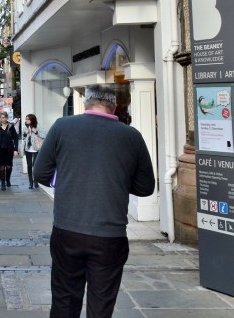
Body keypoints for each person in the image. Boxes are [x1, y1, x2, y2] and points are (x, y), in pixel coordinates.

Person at [33, 85, 155, 318]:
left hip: (67, 229)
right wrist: (116, 182)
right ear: (115, 106)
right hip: (110, 235)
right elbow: (146, 187)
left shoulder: (62, 127)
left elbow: (40, 174)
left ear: (86, 103)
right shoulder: (131, 136)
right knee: (101, 305)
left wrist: (67, 178)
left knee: (64, 301)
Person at [0, 111, 18, 190]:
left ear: (7, 118)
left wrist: (16, 149)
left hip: (9, 149)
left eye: (4, 117)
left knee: (9, 167)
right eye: (1, 117)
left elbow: (16, 138)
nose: (2, 119)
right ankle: (3, 182)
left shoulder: (11, 126)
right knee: (1, 167)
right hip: (0, 149)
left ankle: (8, 180)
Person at [22, 114, 41, 190]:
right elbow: (23, 137)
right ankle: (31, 182)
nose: (26, 120)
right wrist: (26, 133)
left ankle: (36, 181)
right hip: (28, 149)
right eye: (26, 119)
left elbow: (44, 135)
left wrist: (36, 132)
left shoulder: (38, 126)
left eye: (28, 119)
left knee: (35, 165)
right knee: (29, 166)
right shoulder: (25, 127)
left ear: (32, 120)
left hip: (36, 148)